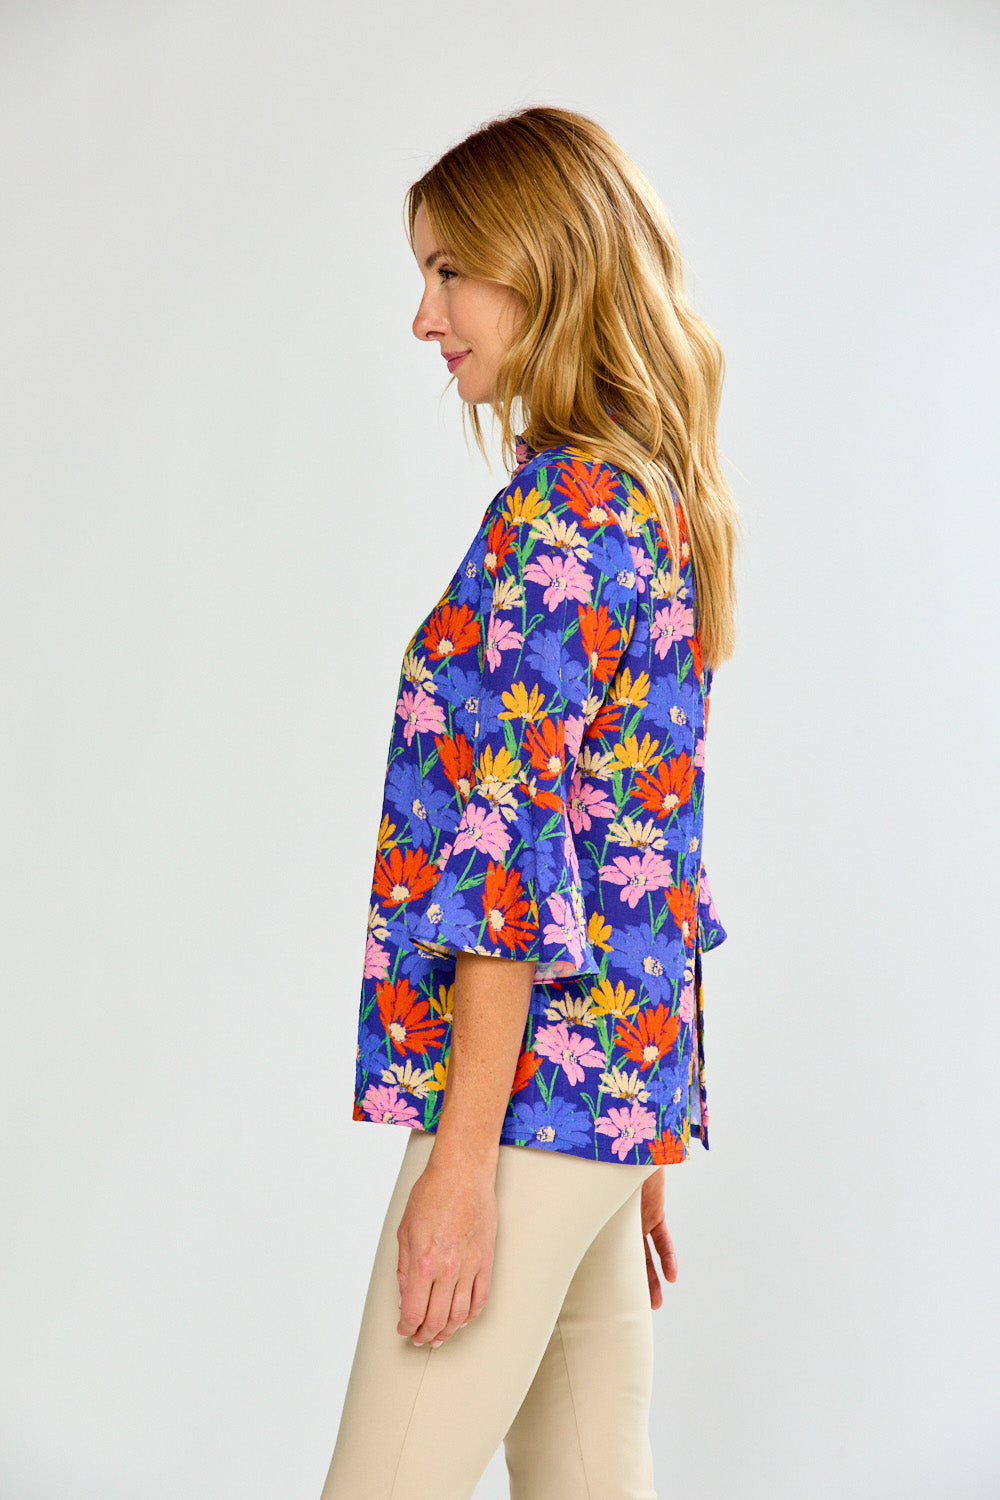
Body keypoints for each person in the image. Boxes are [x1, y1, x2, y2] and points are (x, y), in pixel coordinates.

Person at [319, 105, 740, 1500]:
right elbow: (643, 832)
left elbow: (512, 864)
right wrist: (643, 1121)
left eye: (451, 271)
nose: (425, 318)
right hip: (603, 1094)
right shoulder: (652, 498)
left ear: (542, 266)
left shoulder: (558, 514)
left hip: (528, 1106)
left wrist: (463, 1168)